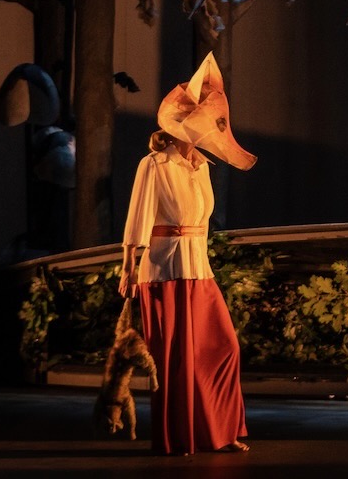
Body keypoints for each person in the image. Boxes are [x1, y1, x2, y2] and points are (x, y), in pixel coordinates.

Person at [118, 53, 257, 455]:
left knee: (224, 348)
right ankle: (181, 436)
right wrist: (128, 267)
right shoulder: (155, 164)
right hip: (165, 272)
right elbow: (138, 217)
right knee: (179, 362)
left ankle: (219, 431)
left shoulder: (203, 168)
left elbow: (201, 222)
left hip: (199, 269)